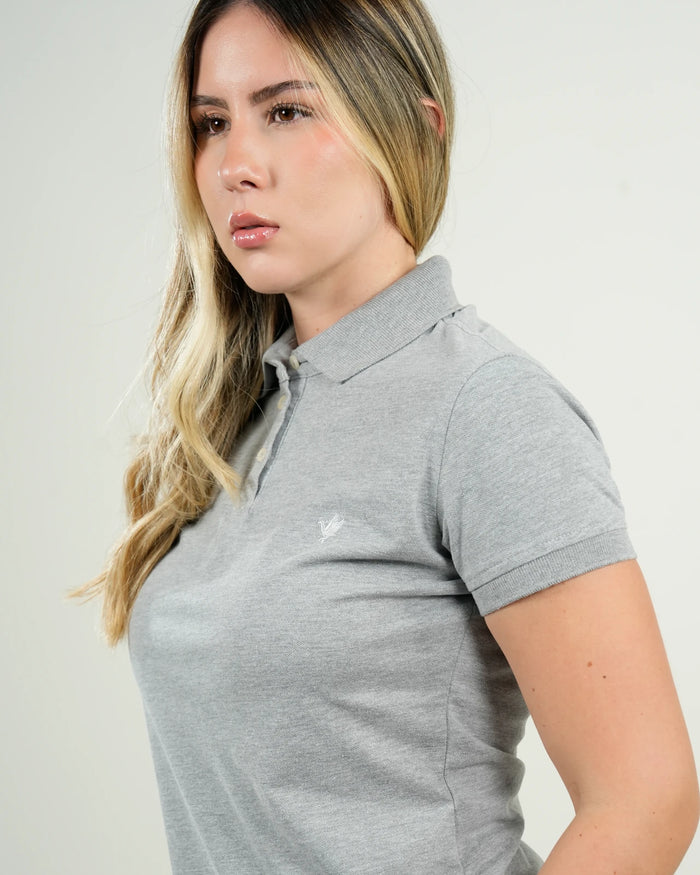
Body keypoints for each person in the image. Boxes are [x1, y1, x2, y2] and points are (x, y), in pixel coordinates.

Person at [70, 0, 699, 872]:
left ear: (416, 128)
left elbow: (646, 798)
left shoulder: (486, 407)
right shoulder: (235, 417)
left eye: (287, 111)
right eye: (213, 123)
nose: (236, 165)